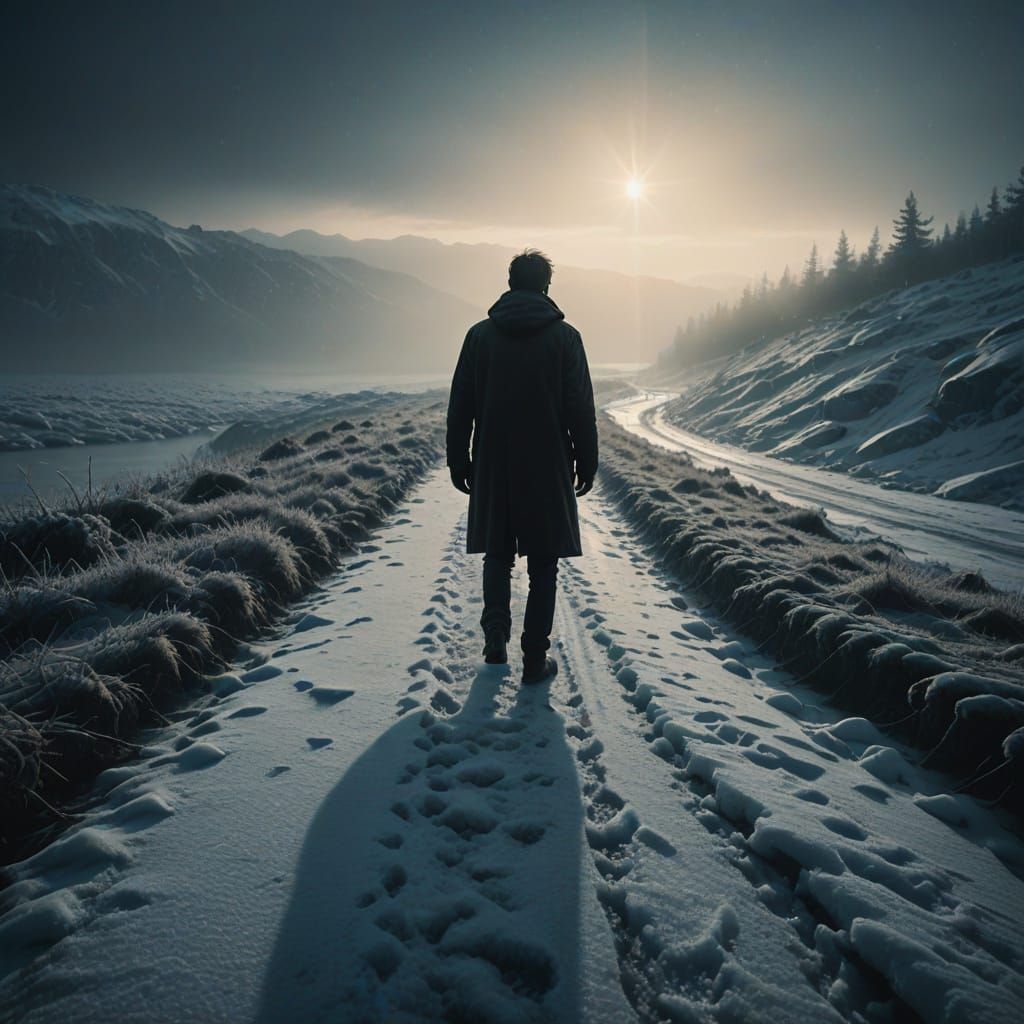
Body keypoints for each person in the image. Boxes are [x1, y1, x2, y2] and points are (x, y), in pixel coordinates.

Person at [446, 249, 598, 685]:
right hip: (548, 461)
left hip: (494, 460)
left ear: (510, 283)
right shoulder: (566, 338)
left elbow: (461, 407)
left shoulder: (479, 336)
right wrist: (586, 461)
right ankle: (534, 658)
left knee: (497, 553)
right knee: (543, 564)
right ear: (546, 286)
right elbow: (580, 409)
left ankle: (495, 637)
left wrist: (460, 459)